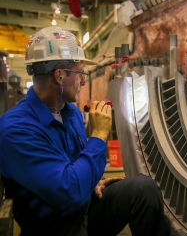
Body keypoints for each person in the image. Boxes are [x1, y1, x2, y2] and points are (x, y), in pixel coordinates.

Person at [0, 26, 169, 236]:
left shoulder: (70, 112)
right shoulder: (16, 129)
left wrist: (93, 182)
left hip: (83, 208)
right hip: (53, 226)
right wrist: (98, 136)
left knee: (143, 189)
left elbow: (74, 166)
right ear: (59, 76)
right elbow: (70, 191)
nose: (83, 81)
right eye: (80, 73)